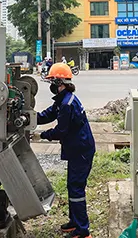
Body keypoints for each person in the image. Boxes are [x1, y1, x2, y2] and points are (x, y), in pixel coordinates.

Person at [35, 63, 96, 238]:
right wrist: (31, 118)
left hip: (81, 151)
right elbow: (49, 114)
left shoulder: (67, 104)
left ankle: (82, 231)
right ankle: (75, 222)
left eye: (52, 82)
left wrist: (42, 135)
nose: (51, 86)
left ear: (59, 82)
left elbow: (61, 130)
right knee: (72, 186)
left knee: (76, 188)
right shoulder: (65, 99)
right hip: (78, 149)